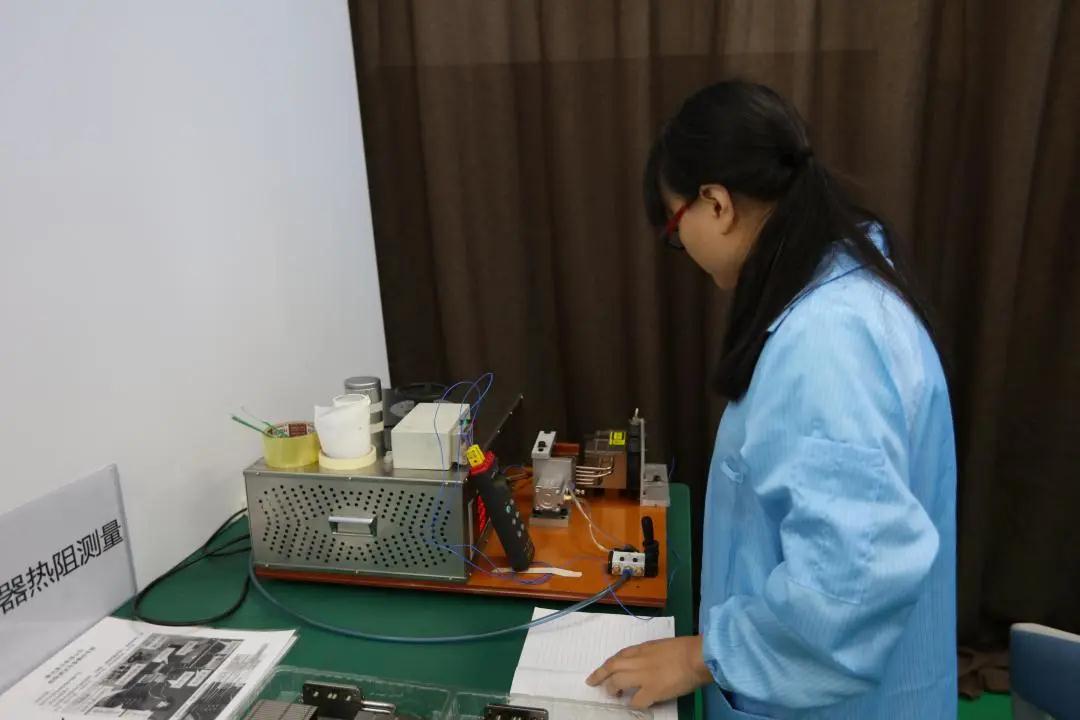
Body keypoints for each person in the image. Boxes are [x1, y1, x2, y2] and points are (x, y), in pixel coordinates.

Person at [586, 81, 957, 719]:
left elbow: (852, 578)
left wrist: (702, 657)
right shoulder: (848, 283)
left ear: (716, 204)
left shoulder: (828, 342)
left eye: (675, 229)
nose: (684, 249)